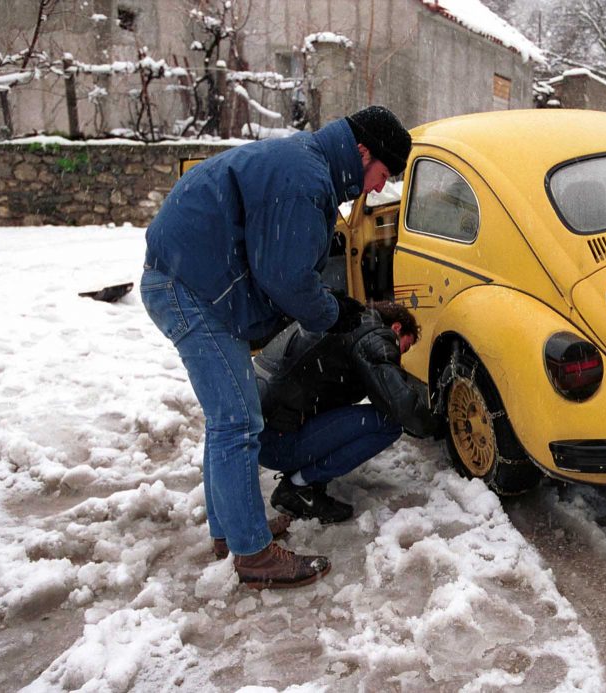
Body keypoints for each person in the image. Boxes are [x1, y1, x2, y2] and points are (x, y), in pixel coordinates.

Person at [140, 106, 412, 589]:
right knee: (237, 421)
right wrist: (336, 311)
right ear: (363, 152)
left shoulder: (308, 166)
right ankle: (253, 555)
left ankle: (233, 535)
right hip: (191, 288)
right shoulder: (306, 179)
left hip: (191, 279)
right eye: (382, 175)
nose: (375, 189)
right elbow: (286, 278)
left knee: (229, 419)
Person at [253, 302, 436, 524]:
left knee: (354, 413)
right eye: (404, 347)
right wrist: (438, 423)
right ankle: (299, 487)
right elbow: (400, 404)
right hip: (278, 442)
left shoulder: (350, 320)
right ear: (396, 328)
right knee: (389, 423)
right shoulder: (374, 335)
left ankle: (300, 473)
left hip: (263, 430)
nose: (400, 355)